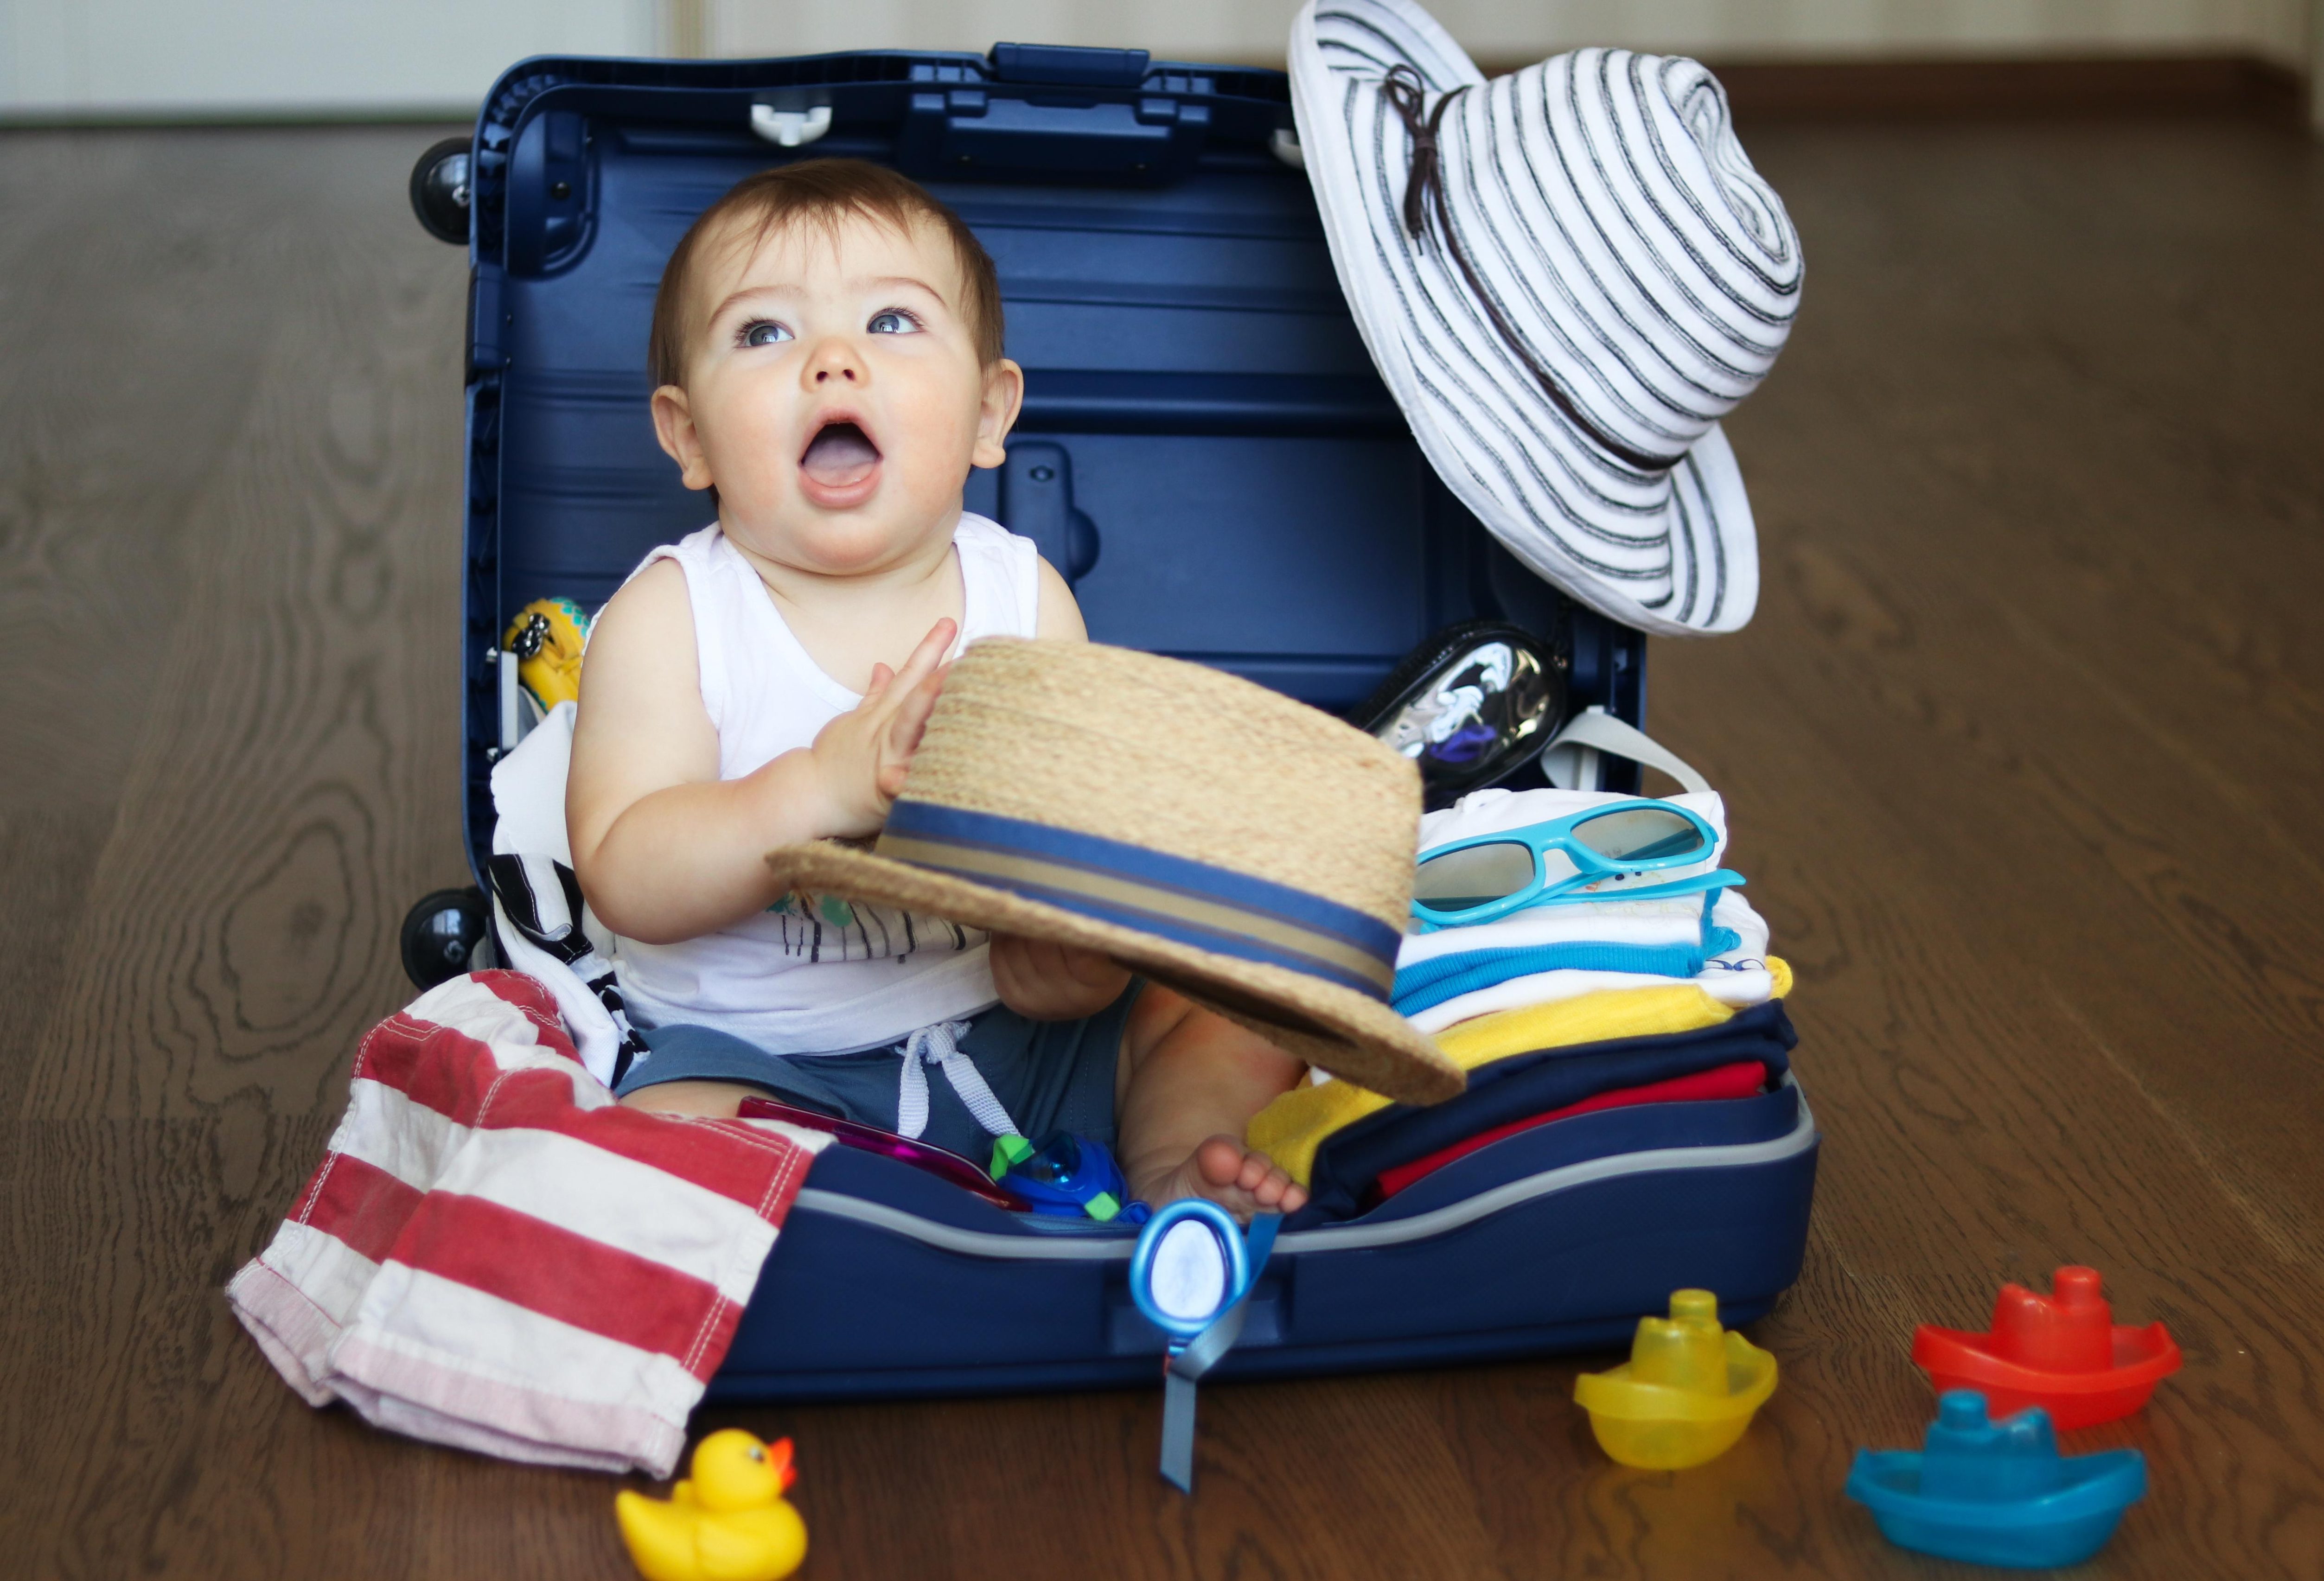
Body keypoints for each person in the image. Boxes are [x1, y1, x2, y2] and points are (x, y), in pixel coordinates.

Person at [567, 159, 1308, 1217]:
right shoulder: (674, 615)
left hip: (1016, 1039)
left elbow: (1062, 862)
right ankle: (839, 1215)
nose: (832, 364)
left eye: (892, 324)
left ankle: (1172, 1166)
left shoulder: (1023, 599)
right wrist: (818, 790)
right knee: (656, 1142)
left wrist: (1073, 964)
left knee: (1236, 1001)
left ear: (987, 415)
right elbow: (627, 874)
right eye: (764, 334)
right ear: (689, 437)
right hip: (772, 1065)